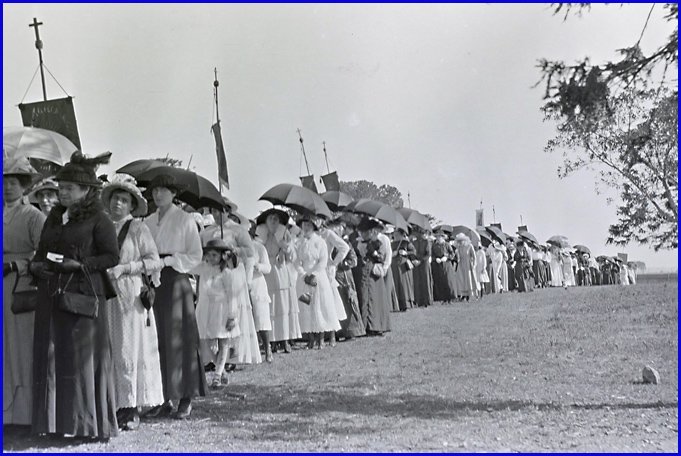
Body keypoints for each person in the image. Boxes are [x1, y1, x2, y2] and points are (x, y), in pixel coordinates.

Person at [30, 151, 119, 440]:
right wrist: (37, 266)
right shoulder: (55, 217)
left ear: (86, 191)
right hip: (52, 293)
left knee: (82, 360)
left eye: (68, 188)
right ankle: (57, 423)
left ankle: (87, 425)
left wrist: (80, 266)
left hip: (83, 296)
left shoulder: (99, 219)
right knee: (56, 356)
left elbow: (111, 256)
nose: (62, 192)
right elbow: (42, 250)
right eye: (61, 187)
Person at [101, 174, 165, 431]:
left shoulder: (138, 228)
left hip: (129, 293)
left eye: (124, 200)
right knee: (110, 345)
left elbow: (154, 261)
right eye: (115, 198)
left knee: (128, 346)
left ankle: (130, 407)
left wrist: (126, 267)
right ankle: (112, 402)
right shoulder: (103, 226)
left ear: (131, 205)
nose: (118, 204)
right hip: (106, 293)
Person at [144, 174, 206, 420]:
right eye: (155, 190)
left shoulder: (184, 219)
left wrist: (168, 260)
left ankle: (185, 395)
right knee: (157, 337)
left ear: (174, 193)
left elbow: (195, 255)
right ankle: (163, 396)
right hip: (153, 281)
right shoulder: (147, 221)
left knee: (180, 336)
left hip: (176, 278)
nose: (158, 194)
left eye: (164, 190)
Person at [3, 158, 45, 427]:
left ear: (24, 186)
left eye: (14, 183)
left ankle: (25, 415)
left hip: (21, 286)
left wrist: (17, 264)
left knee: (20, 348)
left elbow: (44, 257)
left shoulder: (33, 216)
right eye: (4, 182)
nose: (8, 188)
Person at [192, 239, 240, 387]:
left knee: (223, 341)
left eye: (214, 255)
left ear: (222, 256)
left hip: (221, 309)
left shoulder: (226, 273)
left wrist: (232, 315)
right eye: (209, 255)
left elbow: (232, 295)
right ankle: (222, 371)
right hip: (205, 309)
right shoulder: (202, 268)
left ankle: (217, 375)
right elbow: (187, 268)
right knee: (206, 341)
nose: (211, 258)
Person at [255, 208, 302, 353]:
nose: (273, 221)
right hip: (267, 273)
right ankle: (272, 341)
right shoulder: (260, 234)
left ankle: (285, 339)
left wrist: (284, 248)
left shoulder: (284, 233)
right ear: (266, 221)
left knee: (284, 305)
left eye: (276, 219)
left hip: (281, 270)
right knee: (270, 307)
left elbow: (293, 256)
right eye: (270, 219)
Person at [293, 214, 342, 349]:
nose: (306, 227)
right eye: (304, 225)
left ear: (314, 227)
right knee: (306, 305)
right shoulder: (299, 242)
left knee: (320, 305)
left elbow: (323, 260)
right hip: (304, 277)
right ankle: (311, 338)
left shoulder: (319, 242)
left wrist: (313, 274)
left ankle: (322, 338)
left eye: (309, 225)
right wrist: (303, 274)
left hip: (318, 276)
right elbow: (296, 261)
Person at [353, 217, 391, 336]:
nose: (364, 234)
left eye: (366, 232)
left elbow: (382, 258)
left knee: (375, 298)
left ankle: (376, 325)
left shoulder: (378, 242)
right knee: (363, 297)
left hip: (373, 273)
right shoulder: (358, 242)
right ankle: (364, 326)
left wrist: (373, 253)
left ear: (371, 231)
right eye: (362, 232)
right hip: (363, 273)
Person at [328, 219, 365, 339]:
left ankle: (352, 331)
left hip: (344, 277)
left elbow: (353, 261)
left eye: (336, 229)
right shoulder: (328, 242)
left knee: (348, 302)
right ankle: (336, 332)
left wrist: (340, 264)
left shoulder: (346, 243)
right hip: (331, 275)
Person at [318, 219, 349, 346]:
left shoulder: (328, 233)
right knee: (318, 301)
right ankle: (318, 336)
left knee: (329, 301)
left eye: (317, 219)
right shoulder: (310, 235)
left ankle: (332, 335)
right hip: (315, 269)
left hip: (327, 269)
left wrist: (334, 262)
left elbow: (344, 247)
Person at [246, 227, 274, 362]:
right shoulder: (237, 249)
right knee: (246, 317)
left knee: (261, 316)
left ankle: (267, 348)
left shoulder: (259, 248)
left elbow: (268, 267)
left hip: (257, 283)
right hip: (242, 284)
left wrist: (258, 266)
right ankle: (251, 351)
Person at [390, 227, 417, 311]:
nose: (394, 233)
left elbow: (414, 252)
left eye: (396, 232)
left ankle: (407, 303)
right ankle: (397, 303)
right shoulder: (392, 243)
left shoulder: (406, 242)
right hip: (394, 265)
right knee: (396, 283)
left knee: (404, 284)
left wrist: (406, 253)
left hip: (403, 266)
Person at [431, 230, 457, 303]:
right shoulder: (434, 246)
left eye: (440, 237)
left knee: (448, 281)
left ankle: (450, 298)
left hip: (447, 265)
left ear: (443, 237)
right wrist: (435, 259)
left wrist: (447, 257)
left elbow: (452, 254)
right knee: (440, 282)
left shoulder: (447, 245)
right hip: (438, 265)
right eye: (437, 237)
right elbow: (432, 255)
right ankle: (443, 298)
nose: (438, 238)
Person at [412, 228, 434, 307]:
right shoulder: (414, 242)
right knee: (417, 281)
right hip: (416, 263)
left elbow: (428, 254)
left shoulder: (427, 242)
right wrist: (414, 260)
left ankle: (426, 300)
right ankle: (418, 300)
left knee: (425, 280)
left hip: (424, 263)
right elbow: (412, 252)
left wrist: (420, 261)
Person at [454, 234, 477, 300]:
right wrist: (457, 254)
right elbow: (458, 258)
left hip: (468, 264)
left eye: (462, 240)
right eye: (459, 241)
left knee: (468, 279)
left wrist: (474, 264)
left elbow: (474, 256)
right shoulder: (458, 248)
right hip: (461, 264)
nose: (460, 242)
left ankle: (469, 294)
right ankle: (462, 294)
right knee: (461, 279)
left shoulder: (469, 246)